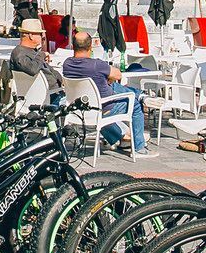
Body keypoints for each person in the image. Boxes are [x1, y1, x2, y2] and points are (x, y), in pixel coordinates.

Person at [62, 29, 152, 157]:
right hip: (102, 108)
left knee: (111, 86)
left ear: (73, 46)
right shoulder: (97, 65)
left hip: (78, 109)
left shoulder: (67, 64)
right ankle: (139, 148)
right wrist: (107, 78)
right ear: (90, 46)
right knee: (135, 105)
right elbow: (118, 74)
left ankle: (119, 138)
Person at [7, 17, 62, 97]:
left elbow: (49, 70)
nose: (42, 37)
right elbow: (32, 69)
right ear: (31, 35)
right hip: (46, 96)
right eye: (40, 34)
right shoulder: (19, 54)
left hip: (54, 92)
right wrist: (42, 54)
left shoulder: (32, 51)